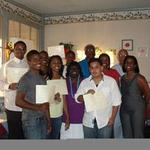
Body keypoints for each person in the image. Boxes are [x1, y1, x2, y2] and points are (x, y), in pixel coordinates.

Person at [75, 58, 121, 138]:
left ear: (101, 68)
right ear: (89, 69)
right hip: (88, 122)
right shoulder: (85, 82)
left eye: (96, 67)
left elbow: (116, 102)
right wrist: (86, 95)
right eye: (92, 68)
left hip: (105, 121)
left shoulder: (111, 82)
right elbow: (77, 98)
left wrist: (112, 119)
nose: (94, 70)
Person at [15, 50, 51, 139]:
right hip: (31, 121)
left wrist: (49, 122)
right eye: (34, 59)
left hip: (43, 120)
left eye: (39, 59)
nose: (38, 61)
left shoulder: (42, 79)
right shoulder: (25, 79)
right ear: (29, 62)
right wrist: (38, 107)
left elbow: (45, 103)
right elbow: (18, 101)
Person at [0, 41, 28, 139]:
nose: (20, 51)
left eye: (23, 49)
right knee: (14, 132)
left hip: (26, 104)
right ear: (14, 50)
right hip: (12, 104)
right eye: (18, 49)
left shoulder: (28, 65)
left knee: (24, 132)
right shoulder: (6, 65)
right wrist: (9, 86)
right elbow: (0, 82)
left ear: (25, 50)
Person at [120, 55, 150, 138]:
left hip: (137, 110)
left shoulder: (139, 78)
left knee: (138, 134)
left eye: (131, 62)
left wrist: (143, 104)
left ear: (135, 65)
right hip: (124, 110)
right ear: (124, 65)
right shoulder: (122, 78)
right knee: (127, 135)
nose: (128, 64)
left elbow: (148, 93)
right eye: (126, 62)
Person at [99, 53, 122, 138]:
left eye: (106, 60)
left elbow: (118, 87)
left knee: (116, 125)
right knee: (104, 127)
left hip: (114, 104)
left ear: (109, 62)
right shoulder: (96, 73)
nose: (104, 62)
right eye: (102, 60)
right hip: (101, 105)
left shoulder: (114, 72)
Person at [47, 55, 70, 139]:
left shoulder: (63, 80)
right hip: (47, 115)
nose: (56, 64)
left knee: (55, 138)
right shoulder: (45, 79)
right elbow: (41, 99)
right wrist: (53, 97)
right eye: (54, 62)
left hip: (58, 115)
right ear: (49, 64)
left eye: (58, 62)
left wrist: (67, 117)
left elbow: (64, 100)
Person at [60, 61, 84, 139]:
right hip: (66, 120)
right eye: (71, 68)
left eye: (76, 68)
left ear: (79, 70)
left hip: (82, 120)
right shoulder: (63, 82)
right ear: (68, 71)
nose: (74, 70)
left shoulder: (85, 82)